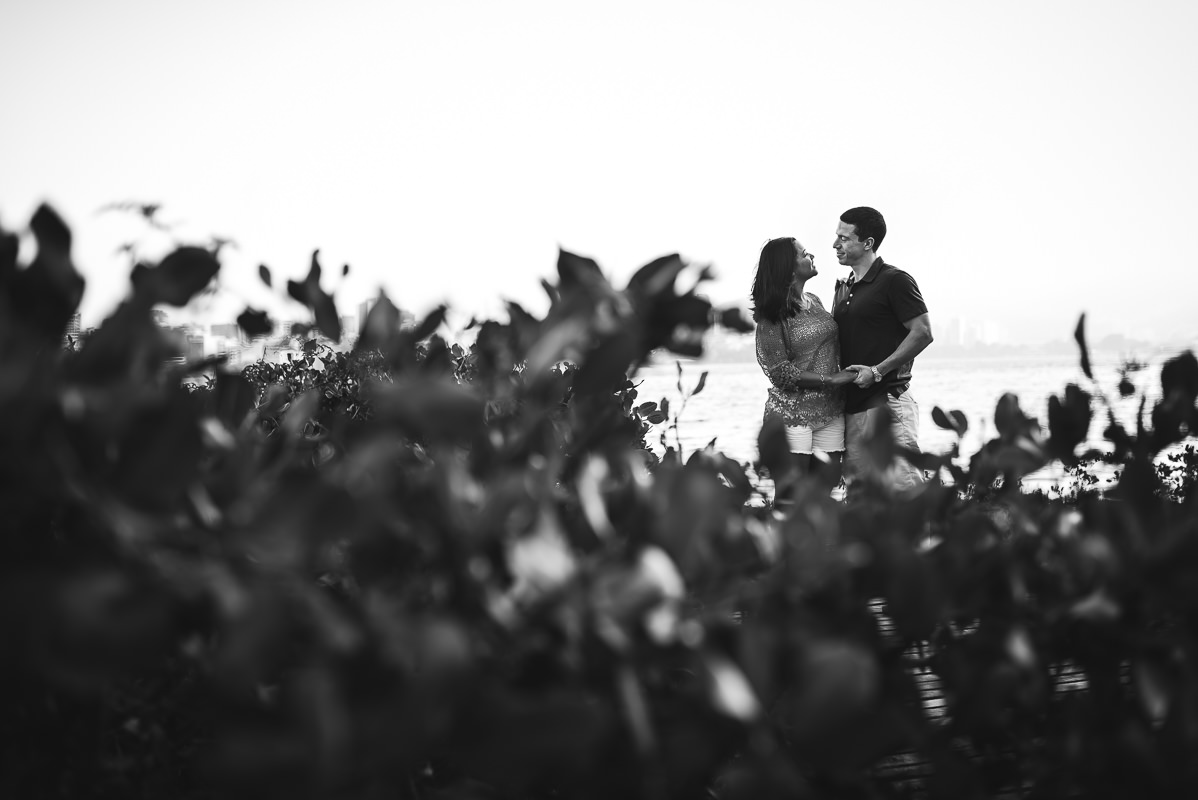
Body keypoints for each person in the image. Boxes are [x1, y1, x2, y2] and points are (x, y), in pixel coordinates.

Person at [831, 207, 933, 494]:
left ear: (868, 243)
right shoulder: (843, 288)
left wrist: (878, 371)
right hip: (852, 408)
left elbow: (922, 332)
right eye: (836, 236)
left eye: (844, 238)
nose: (835, 245)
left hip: (887, 402)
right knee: (863, 499)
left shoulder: (895, 280)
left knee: (903, 493)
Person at [752, 236, 858, 499]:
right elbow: (780, 372)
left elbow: (827, 341)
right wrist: (831, 380)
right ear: (788, 268)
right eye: (805, 254)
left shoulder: (815, 300)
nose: (812, 257)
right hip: (792, 415)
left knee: (823, 495)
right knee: (790, 498)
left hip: (830, 411)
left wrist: (839, 308)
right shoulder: (772, 315)